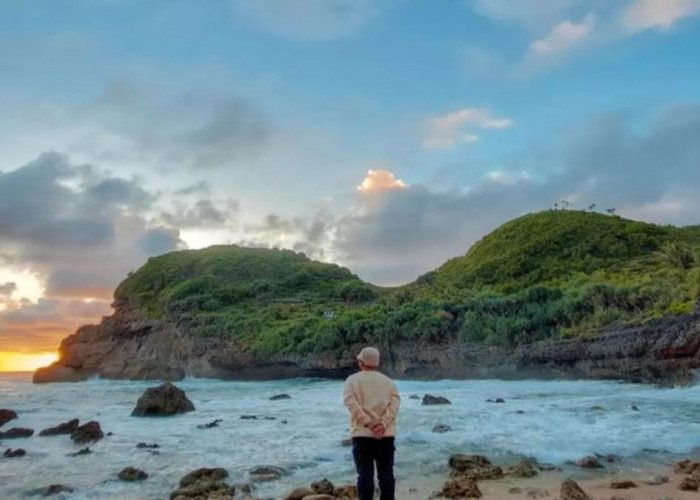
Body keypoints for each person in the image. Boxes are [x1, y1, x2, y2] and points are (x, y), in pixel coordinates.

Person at [343, 346, 401, 500]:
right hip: (385, 435)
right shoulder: (388, 381)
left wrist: (369, 423)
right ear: (377, 363)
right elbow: (394, 405)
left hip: (362, 435)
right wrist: (382, 423)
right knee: (386, 475)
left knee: (365, 475)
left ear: (361, 362)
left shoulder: (352, 380)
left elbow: (350, 403)